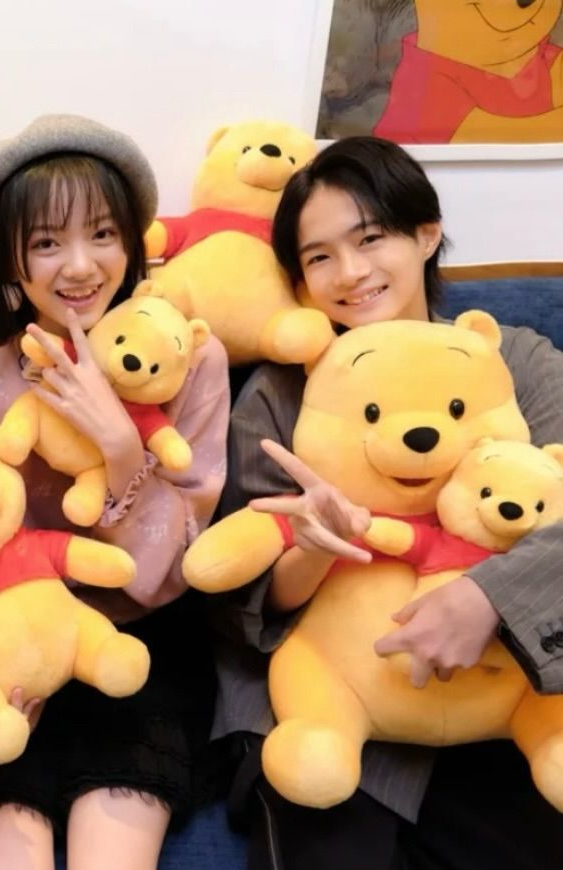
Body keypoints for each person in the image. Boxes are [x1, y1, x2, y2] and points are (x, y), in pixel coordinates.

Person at [213, 135, 563, 870]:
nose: (350, 273)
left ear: (425, 235)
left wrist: (488, 597)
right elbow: (238, 598)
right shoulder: (279, 393)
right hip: (336, 709)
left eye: (370, 239)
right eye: (319, 257)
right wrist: (312, 551)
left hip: (507, 701)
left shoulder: (515, 362)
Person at [0, 113, 230, 870]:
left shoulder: (190, 359)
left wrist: (121, 447)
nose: (79, 266)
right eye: (46, 242)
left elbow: (178, 565)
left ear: (133, 241)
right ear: (10, 261)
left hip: (143, 643)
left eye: (102, 233)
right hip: (15, 647)